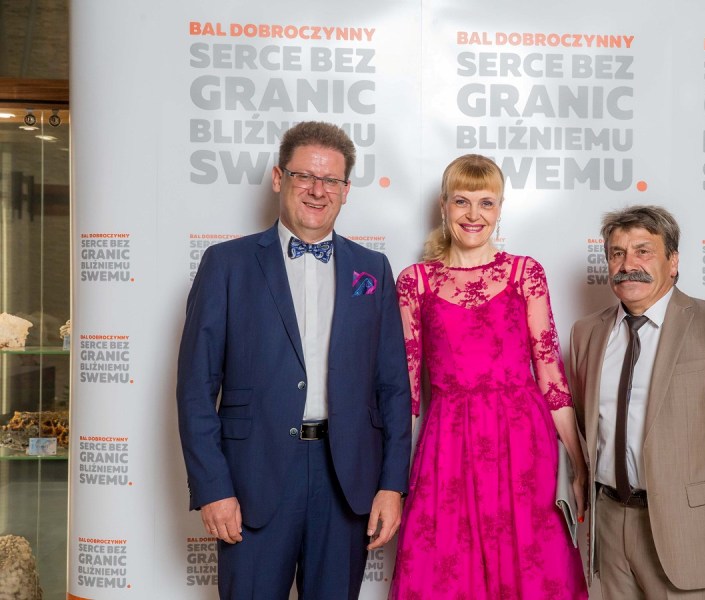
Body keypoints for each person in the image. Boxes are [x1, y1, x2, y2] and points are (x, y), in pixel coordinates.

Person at [176, 121, 411, 599]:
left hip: (346, 480)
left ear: (346, 190)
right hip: (253, 478)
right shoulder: (226, 264)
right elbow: (195, 387)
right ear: (279, 178)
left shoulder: (373, 269)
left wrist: (392, 485)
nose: (317, 191)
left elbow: (393, 387)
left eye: (331, 180)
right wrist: (213, 486)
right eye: (305, 176)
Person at [389, 154, 588, 599]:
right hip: (447, 445)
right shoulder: (414, 281)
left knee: (533, 572)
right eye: (462, 201)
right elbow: (408, 392)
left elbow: (552, 378)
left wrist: (578, 465)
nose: (473, 215)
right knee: (443, 572)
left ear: (500, 209)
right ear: (443, 205)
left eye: (486, 202)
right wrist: (390, 477)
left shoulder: (525, 273)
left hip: (524, 445)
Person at [569, 205, 705, 599]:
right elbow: (586, 425)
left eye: (643, 251)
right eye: (617, 253)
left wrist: (702, 498)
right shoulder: (587, 333)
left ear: (673, 261)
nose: (628, 265)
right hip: (610, 526)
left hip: (689, 531)